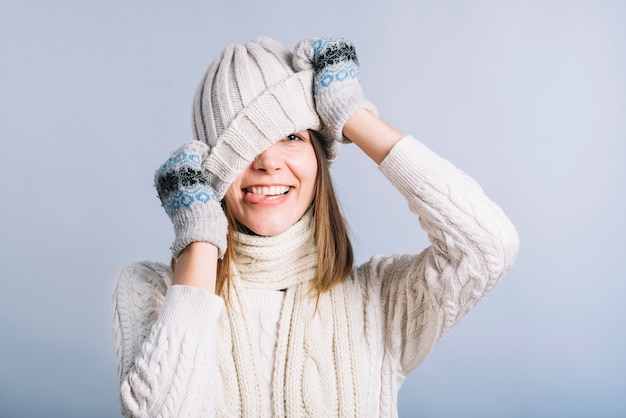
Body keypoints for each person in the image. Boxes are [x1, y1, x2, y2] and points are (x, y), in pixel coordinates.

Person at [111, 36, 519, 417]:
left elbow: (489, 245)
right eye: (243, 146)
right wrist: (199, 238)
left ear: (319, 156)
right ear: (209, 171)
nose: (268, 162)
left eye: (291, 135)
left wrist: (353, 115)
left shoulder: (381, 301)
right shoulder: (151, 291)